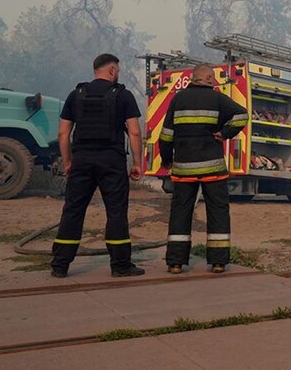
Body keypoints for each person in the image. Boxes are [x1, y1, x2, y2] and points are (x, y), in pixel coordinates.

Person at [51, 53, 144, 278]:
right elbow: (134, 131)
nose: (118, 74)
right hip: (111, 161)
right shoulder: (123, 96)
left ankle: (60, 265)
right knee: (116, 211)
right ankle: (120, 265)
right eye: (118, 70)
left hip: (82, 160)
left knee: (73, 210)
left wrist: (69, 162)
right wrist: (137, 163)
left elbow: (63, 134)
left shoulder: (76, 95)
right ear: (112, 70)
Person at [159, 63, 248, 274]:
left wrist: (166, 160)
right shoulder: (217, 99)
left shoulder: (178, 99)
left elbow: (166, 134)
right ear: (207, 78)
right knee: (217, 211)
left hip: (183, 169)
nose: (215, 81)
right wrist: (225, 133)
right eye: (213, 78)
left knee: (180, 212)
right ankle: (218, 262)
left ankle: (175, 262)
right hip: (213, 169)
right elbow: (242, 115)